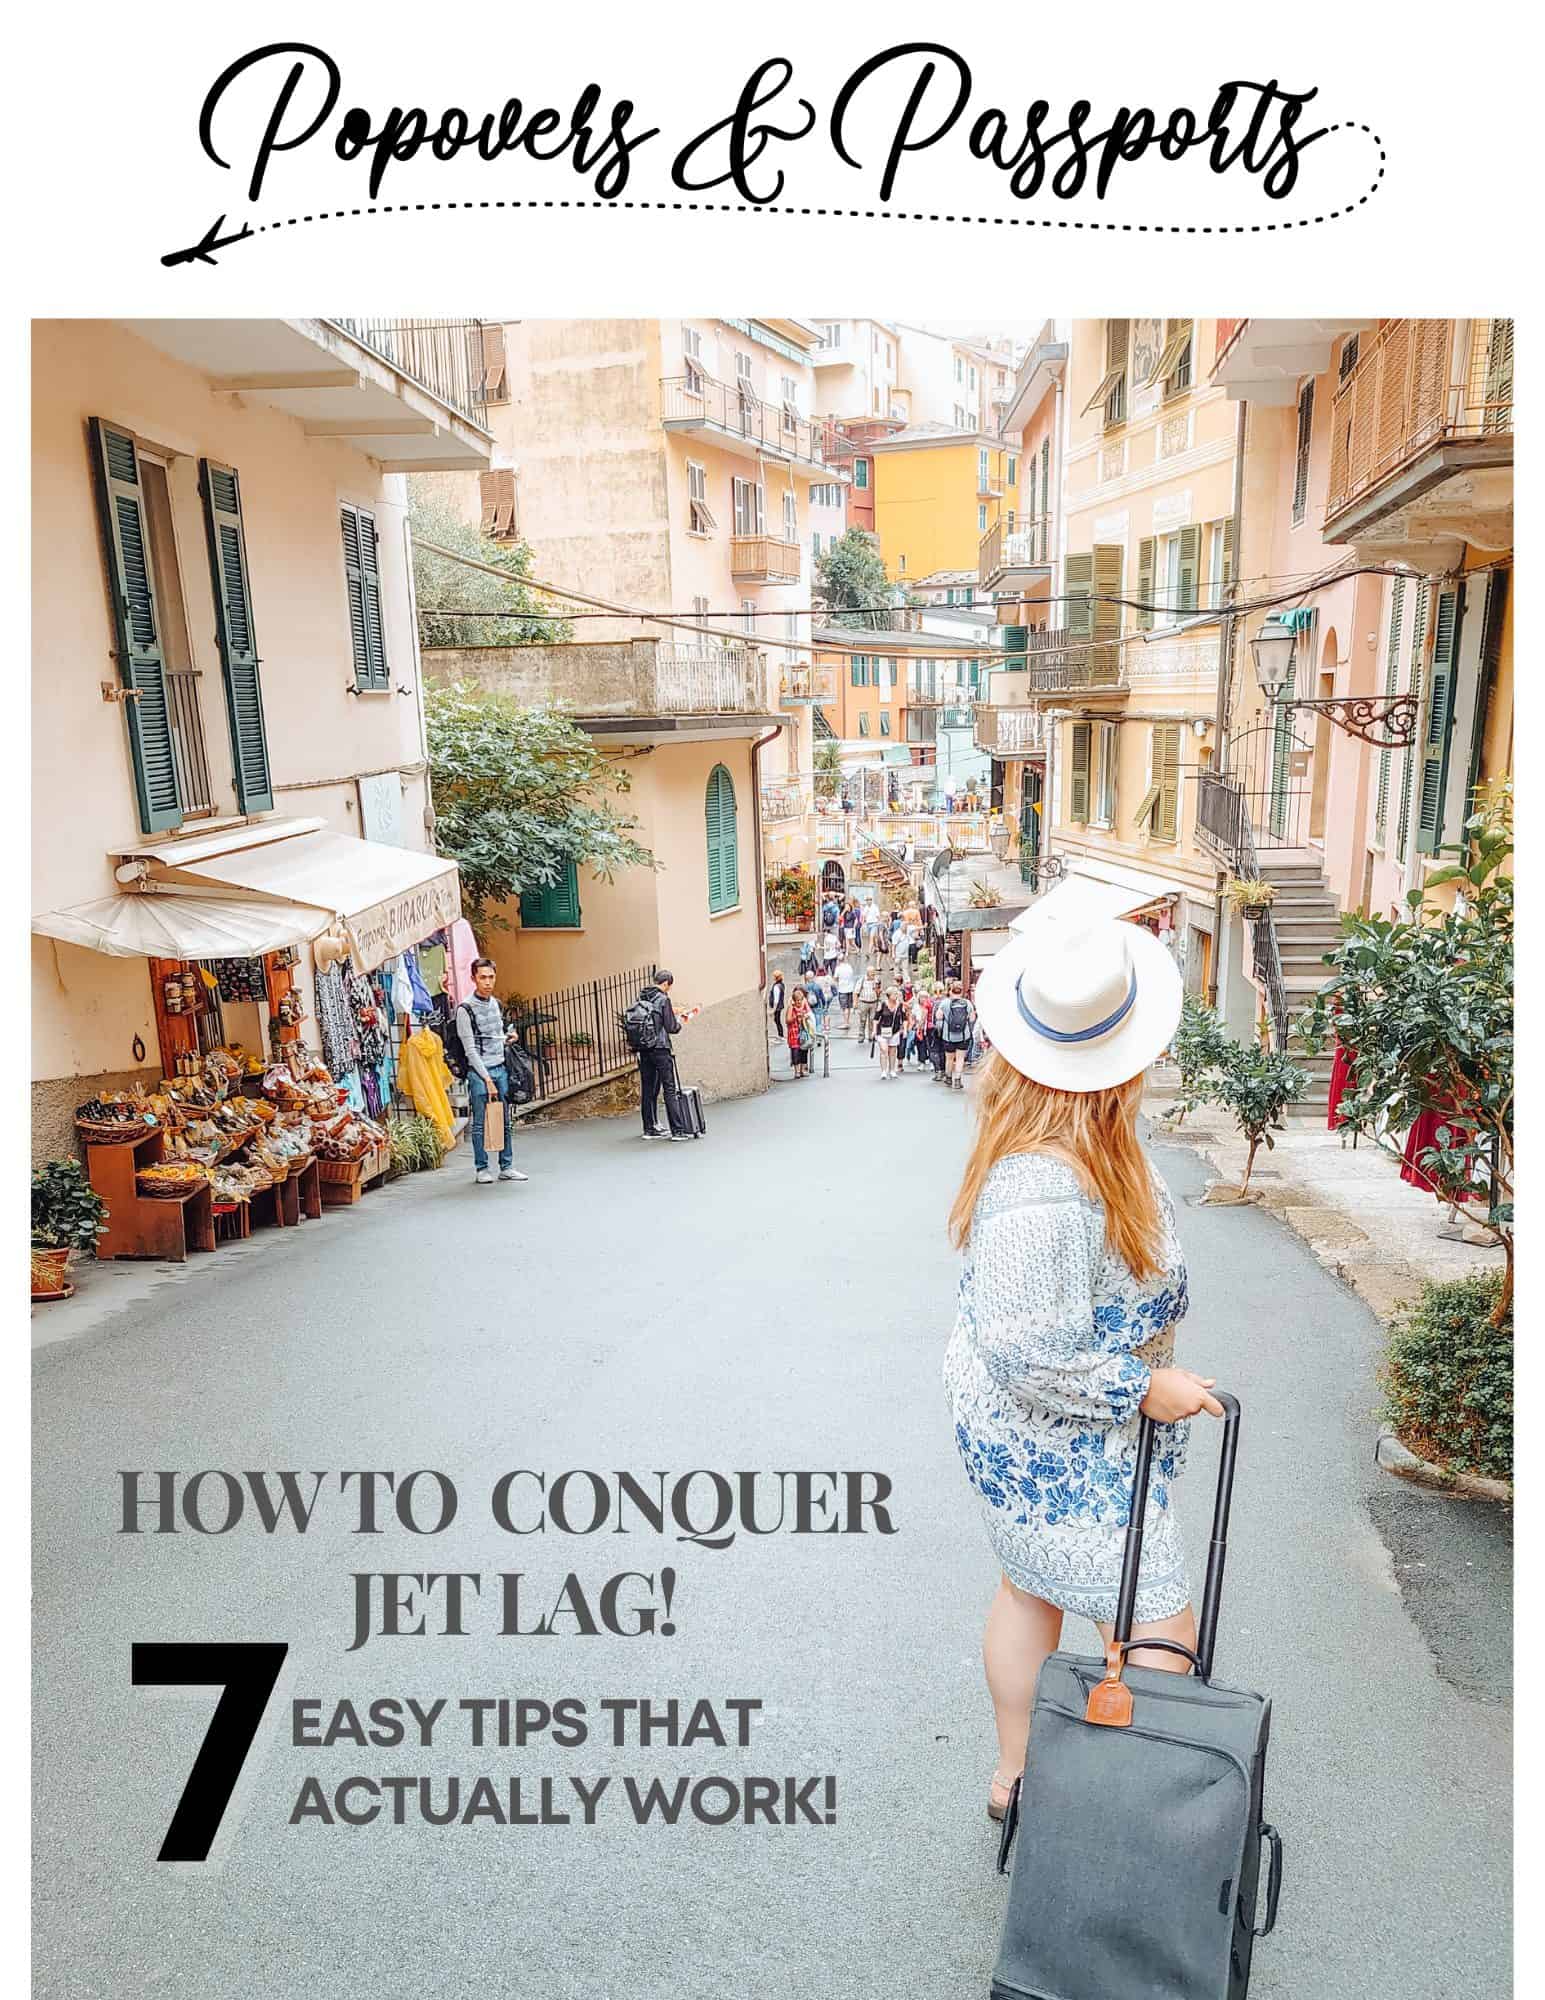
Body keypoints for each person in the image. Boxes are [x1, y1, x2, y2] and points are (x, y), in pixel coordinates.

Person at [942, 916, 1221, 1823]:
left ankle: (1021, 1777)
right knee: (1156, 1622)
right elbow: (1026, 1349)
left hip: (1049, 1425)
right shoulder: (1044, 1183)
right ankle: (1129, 1811)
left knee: (1030, 1586)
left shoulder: (1080, 1144)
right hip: (1052, 1432)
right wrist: (1142, 1385)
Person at [457, 958, 528, 1186]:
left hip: (500, 1067)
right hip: (480, 1072)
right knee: (479, 1123)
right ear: (473, 979)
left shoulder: (496, 1004)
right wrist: (486, 1078)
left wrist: (510, 1037)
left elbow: (497, 1036)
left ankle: (506, 1166)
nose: (487, 982)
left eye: (491, 977)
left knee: (504, 1120)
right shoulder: (465, 1010)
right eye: (482, 977)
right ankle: (482, 1167)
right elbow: (469, 1049)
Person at [635, 969, 694, 1142]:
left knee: (647, 1089)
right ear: (666, 983)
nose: (669, 989)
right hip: (660, 1049)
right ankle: (678, 1131)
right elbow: (671, 1027)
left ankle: (649, 1129)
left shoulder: (642, 997)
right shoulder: (663, 998)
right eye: (669, 986)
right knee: (669, 1088)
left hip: (644, 1049)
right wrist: (680, 1022)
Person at [938, 978, 977, 1090]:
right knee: (960, 1059)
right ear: (961, 991)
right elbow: (972, 1019)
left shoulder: (945, 1003)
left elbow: (938, 1017)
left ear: (950, 990)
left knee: (949, 1058)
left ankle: (948, 1077)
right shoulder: (967, 1003)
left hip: (948, 1036)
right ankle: (957, 1080)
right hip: (964, 1035)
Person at [874, 986, 906, 1079]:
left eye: (896, 994)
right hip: (882, 1031)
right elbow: (876, 1018)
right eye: (894, 994)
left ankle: (892, 1070)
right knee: (884, 1050)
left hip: (894, 1031)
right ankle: (884, 1071)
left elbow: (904, 1018)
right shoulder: (882, 1004)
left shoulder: (900, 1005)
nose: (896, 996)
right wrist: (874, 1030)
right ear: (889, 995)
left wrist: (904, 1030)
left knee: (893, 1051)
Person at [787, 985, 814, 1077]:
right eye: (797, 1000)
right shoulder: (791, 1008)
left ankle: (803, 1069)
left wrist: (805, 1017)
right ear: (794, 1000)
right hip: (794, 1034)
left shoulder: (804, 1008)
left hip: (803, 1034)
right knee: (795, 1052)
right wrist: (795, 1017)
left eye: (800, 1000)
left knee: (803, 1052)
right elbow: (788, 1020)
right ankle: (797, 1071)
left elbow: (809, 1015)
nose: (799, 1002)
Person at [855, 964, 880, 1049]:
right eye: (872, 973)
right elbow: (856, 992)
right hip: (863, 1002)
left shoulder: (876, 980)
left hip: (873, 1002)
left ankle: (871, 1036)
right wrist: (855, 1003)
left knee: (872, 1020)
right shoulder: (862, 980)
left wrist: (877, 990)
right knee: (862, 1020)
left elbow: (879, 992)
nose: (873, 974)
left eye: (874, 973)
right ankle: (861, 1036)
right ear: (868, 973)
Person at [835, 955, 857, 1030]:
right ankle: (847, 1021)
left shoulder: (838, 968)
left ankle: (846, 1023)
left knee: (844, 1008)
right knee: (848, 1007)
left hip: (842, 989)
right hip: (850, 988)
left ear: (838, 960)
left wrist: (839, 981)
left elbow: (835, 978)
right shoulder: (849, 967)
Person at [767, 969, 786, 1042]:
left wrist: (773, 1010)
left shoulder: (776, 987)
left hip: (777, 1007)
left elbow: (776, 1000)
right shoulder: (781, 984)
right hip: (780, 1006)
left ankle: (781, 1036)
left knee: (777, 1020)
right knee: (777, 1020)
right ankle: (780, 1035)